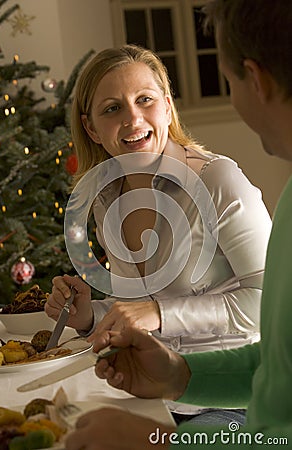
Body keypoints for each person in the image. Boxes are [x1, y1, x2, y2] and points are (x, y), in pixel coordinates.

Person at [63, 0, 292, 448]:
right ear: (91, 129)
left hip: (223, 413)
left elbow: (264, 325)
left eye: (145, 100)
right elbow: (279, 369)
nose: (132, 118)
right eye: (111, 109)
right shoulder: (107, 198)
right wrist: (93, 318)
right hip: (168, 392)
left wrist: (159, 442)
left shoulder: (219, 179)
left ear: (167, 109)